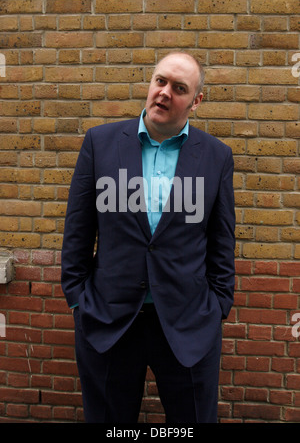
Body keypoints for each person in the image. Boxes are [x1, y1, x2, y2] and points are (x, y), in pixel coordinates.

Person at [61, 51, 236, 423]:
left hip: (188, 324)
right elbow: (78, 228)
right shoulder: (100, 143)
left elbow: (222, 241)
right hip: (109, 320)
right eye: (160, 81)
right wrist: (78, 300)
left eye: (179, 88)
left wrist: (218, 304)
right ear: (150, 83)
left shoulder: (216, 157)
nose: (164, 93)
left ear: (196, 100)